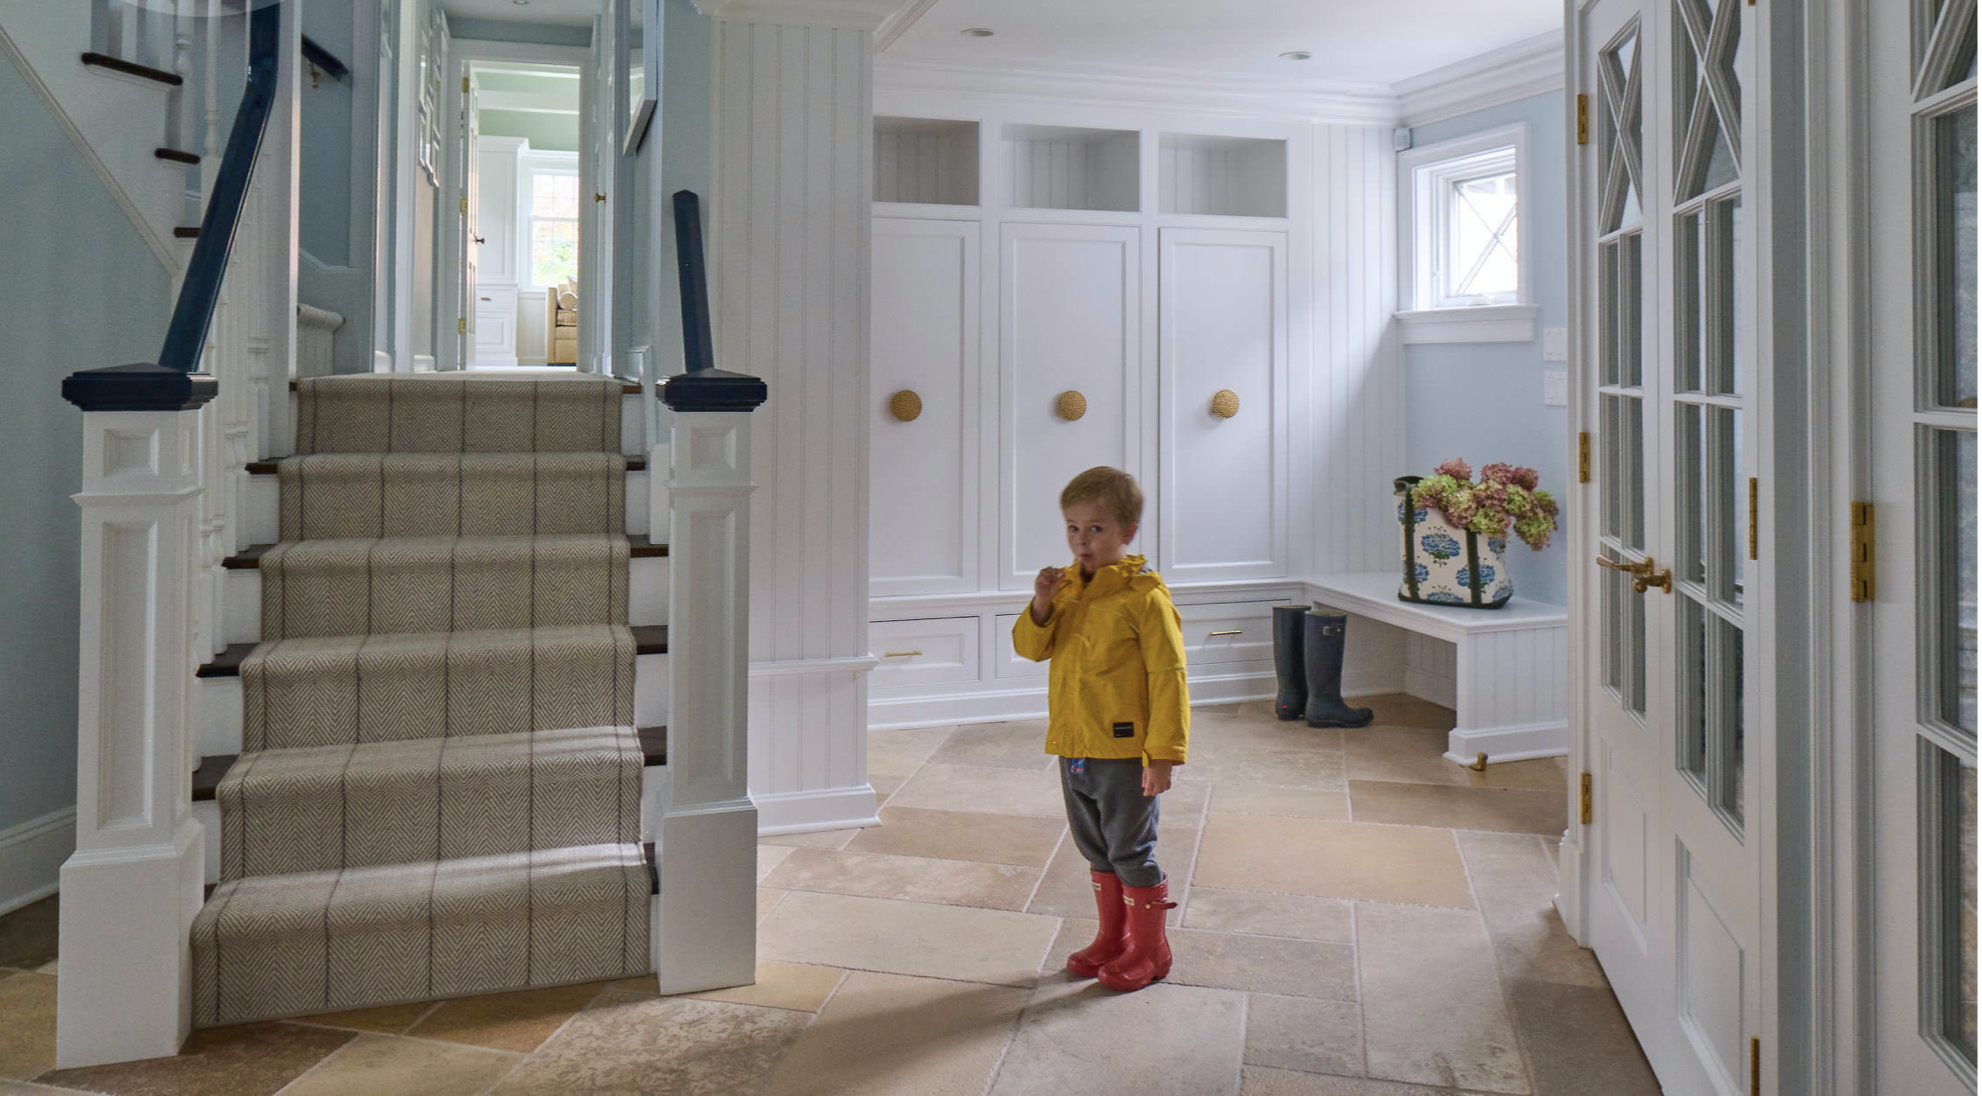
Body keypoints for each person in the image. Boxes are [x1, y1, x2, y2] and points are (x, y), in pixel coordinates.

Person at [1012, 466, 1189, 993]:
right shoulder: (1067, 591)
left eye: (1095, 529)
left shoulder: (1145, 598)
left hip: (1125, 752)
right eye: (1072, 528)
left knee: (1130, 849)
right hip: (1074, 745)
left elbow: (1169, 678)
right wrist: (1042, 603)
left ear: (1127, 531)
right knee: (1095, 848)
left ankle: (1151, 950)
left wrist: (1162, 755)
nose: (1081, 540)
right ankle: (1113, 938)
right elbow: (1031, 648)